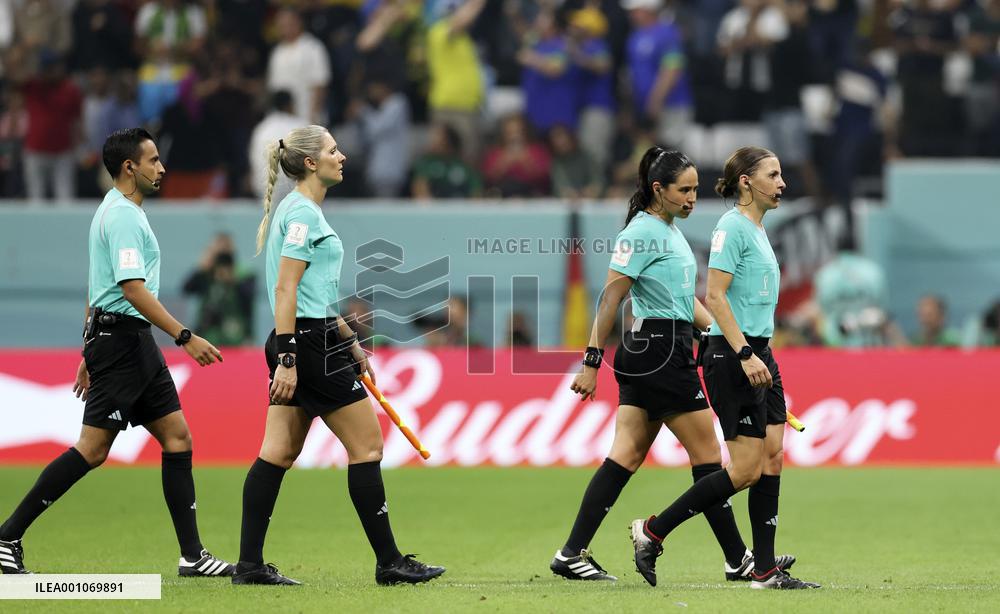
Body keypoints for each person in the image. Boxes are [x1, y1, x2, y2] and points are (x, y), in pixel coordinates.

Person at [0, 128, 233, 577]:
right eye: (153, 160)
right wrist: (185, 336)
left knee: (177, 437)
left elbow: (97, 285)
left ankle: (192, 556)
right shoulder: (123, 216)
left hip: (127, 339)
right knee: (92, 449)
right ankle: (7, 535)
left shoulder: (113, 212)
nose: (161, 168)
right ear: (130, 167)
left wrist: (87, 348)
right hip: (123, 340)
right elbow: (129, 287)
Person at [555, 147, 793, 583]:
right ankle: (723, 553)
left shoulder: (667, 229)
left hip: (662, 346)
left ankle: (571, 552)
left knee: (624, 456)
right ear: (657, 189)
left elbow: (690, 304)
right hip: (659, 352)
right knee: (711, 459)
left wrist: (719, 336)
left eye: (696, 190)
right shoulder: (642, 233)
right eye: (683, 190)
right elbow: (611, 296)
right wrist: (591, 359)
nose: (692, 198)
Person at [233, 125, 445, 586]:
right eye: (333, 150)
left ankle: (249, 564)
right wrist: (290, 358)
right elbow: (286, 288)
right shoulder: (305, 216)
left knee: (278, 452)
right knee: (367, 447)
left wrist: (348, 340)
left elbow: (313, 295)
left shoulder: (295, 210)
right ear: (311, 163)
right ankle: (389, 561)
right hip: (307, 346)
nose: (342, 156)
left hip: (310, 338)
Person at [628, 146, 819, 590]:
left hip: (760, 351)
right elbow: (714, 296)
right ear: (746, 181)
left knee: (773, 455)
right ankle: (653, 531)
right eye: (773, 174)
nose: (783, 183)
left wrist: (759, 351)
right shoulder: (731, 228)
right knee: (746, 469)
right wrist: (744, 354)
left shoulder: (756, 229)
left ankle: (765, 569)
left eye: (782, 173)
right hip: (735, 356)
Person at [181, 233, 256, 346]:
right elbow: (187, 289)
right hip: (207, 333)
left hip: (235, 333)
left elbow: (248, 301)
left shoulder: (244, 273)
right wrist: (201, 268)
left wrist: (233, 281)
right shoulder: (206, 273)